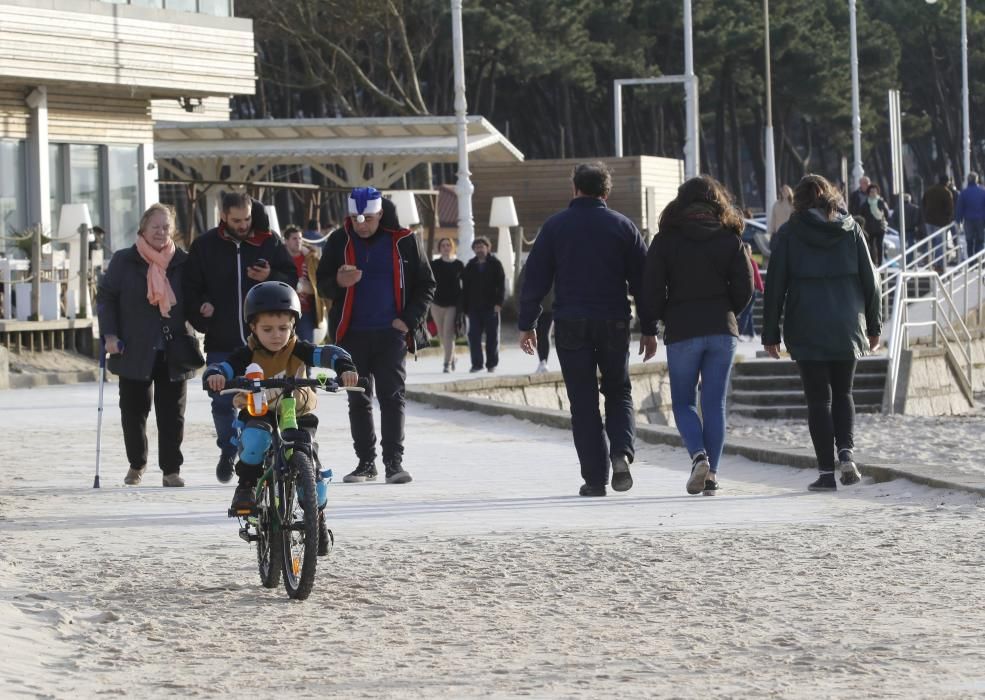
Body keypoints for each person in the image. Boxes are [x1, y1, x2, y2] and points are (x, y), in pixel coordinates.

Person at [519, 161, 658, 497]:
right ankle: (621, 451)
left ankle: (595, 479)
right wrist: (650, 328)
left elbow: (534, 279)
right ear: (605, 192)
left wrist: (528, 324)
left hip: (570, 322)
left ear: (574, 188)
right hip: (614, 320)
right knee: (619, 390)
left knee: (582, 402)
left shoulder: (555, 227)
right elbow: (644, 282)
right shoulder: (624, 227)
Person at [202, 281, 358, 554]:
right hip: (259, 412)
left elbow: (328, 354)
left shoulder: (300, 349)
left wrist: (344, 366)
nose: (276, 335)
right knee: (253, 441)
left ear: (294, 326)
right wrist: (215, 375)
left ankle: (317, 518)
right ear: (253, 327)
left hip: (297, 414)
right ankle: (246, 486)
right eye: (267, 329)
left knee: (312, 468)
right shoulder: (247, 353)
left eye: (283, 328)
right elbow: (224, 367)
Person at [761, 174, 881, 492]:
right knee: (843, 393)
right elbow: (872, 282)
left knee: (818, 400)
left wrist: (770, 333)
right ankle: (846, 452)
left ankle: (827, 474)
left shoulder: (789, 233)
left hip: (806, 325)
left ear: (797, 201)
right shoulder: (851, 228)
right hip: (847, 324)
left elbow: (774, 286)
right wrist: (874, 326)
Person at [641, 176, 754, 496]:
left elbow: (650, 289)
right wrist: (726, 310)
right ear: (716, 200)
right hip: (722, 329)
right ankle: (713, 473)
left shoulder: (666, 240)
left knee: (683, 402)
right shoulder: (730, 238)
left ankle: (698, 457)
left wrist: (663, 315)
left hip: (683, 329)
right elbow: (745, 289)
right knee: (714, 402)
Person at [315, 187, 435, 484]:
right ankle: (365, 463)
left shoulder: (404, 241)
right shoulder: (338, 240)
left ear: (380, 214)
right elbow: (323, 283)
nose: (362, 224)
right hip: (351, 333)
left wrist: (408, 321)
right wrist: (338, 282)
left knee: (392, 397)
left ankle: (394, 462)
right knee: (358, 398)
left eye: (368, 218)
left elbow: (426, 284)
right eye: (356, 218)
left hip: (390, 333)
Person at [183, 192, 297, 485]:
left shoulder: (268, 241)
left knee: (265, 397)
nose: (243, 224)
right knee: (221, 400)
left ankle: (259, 451)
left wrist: (271, 274)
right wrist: (202, 311)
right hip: (222, 338)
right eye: (236, 220)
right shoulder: (205, 246)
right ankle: (228, 448)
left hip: (262, 342)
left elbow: (291, 278)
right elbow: (191, 287)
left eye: (247, 218)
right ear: (223, 216)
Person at [97, 204, 197, 488]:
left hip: (174, 347)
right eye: (156, 226)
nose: (161, 232)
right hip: (133, 347)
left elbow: (196, 295)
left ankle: (171, 470)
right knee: (133, 411)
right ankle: (137, 464)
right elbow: (106, 298)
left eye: (166, 227)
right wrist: (110, 335)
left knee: (172, 414)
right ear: (143, 228)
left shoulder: (183, 262)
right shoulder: (124, 260)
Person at [462, 237, 506, 373]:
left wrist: (499, 303)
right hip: (474, 308)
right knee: (473, 336)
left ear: (488, 248)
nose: (480, 249)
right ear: (474, 249)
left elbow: (501, 285)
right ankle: (477, 364)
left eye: (482, 247)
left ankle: (491, 364)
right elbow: (465, 288)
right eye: (477, 247)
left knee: (492, 337)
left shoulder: (496, 264)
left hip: (491, 307)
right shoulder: (470, 265)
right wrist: (465, 308)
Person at [429, 237, 465, 372]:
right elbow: (428, 282)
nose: (445, 247)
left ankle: (446, 364)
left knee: (448, 333)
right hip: (436, 303)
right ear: (439, 248)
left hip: (452, 304)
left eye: (448, 245)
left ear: (452, 247)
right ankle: (453, 357)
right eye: (443, 245)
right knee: (441, 335)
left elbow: (464, 286)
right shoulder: (434, 264)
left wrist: (462, 304)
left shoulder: (459, 265)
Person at [283, 224, 322, 343]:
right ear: (286, 241)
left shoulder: (311, 259)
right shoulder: (280, 259)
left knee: (307, 348)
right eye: (294, 238)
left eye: (300, 238)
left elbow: (320, 283)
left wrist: (312, 289)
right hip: (285, 311)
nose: (298, 241)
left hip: (305, 311)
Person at [517, 261, 555, 373]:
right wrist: (520, 307)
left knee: (544, 334)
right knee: (538, 334)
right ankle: (542, 361)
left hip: (548, 307)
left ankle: (544, 361)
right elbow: (520, 286)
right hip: (533, 307)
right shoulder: (528, 266)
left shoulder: (554, 265)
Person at [922, 175, 955, 272]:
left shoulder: (929, 191)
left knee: (930, 241)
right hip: (940, 222)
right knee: (940, 244)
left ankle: (927, 259)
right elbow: (949, 209)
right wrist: (948, 220)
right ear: (947, 182)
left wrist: (925, 216)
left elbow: (923, 204)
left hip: (929, 220)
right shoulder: (946, 192)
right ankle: (939, 265)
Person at [736, 243, 764, 340]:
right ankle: (740, 333)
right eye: (750, 249)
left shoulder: (739, 262)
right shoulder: (752, 262)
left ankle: (752, 334)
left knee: (749, 313)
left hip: (742, 290)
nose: (751, 251)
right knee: (746, 313)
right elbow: (757, 277)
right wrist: (761, 289)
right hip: (752, 291)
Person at [955, 172, 985, 258]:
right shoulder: (982, 192)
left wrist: (958, 220)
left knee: (969, 241)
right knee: (980, 240)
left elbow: (960, 208)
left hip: (968, 220)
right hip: (981, 219)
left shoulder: (964, 193)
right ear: (977, 180)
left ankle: (971, 261)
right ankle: (980, 260)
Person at [860, 183, 891, 265]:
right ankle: (873, 262)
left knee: (880, 245)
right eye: (871, 192)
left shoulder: (881, 202)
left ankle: (880, 263)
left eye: (875, 191)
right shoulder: (865, 204)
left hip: (880, 228)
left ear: (877, 192)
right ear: (868, 193)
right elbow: (861, 215)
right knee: (870, 246)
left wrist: (884, 220)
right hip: (869, 229)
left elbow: (887, 214)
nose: (873, 193)